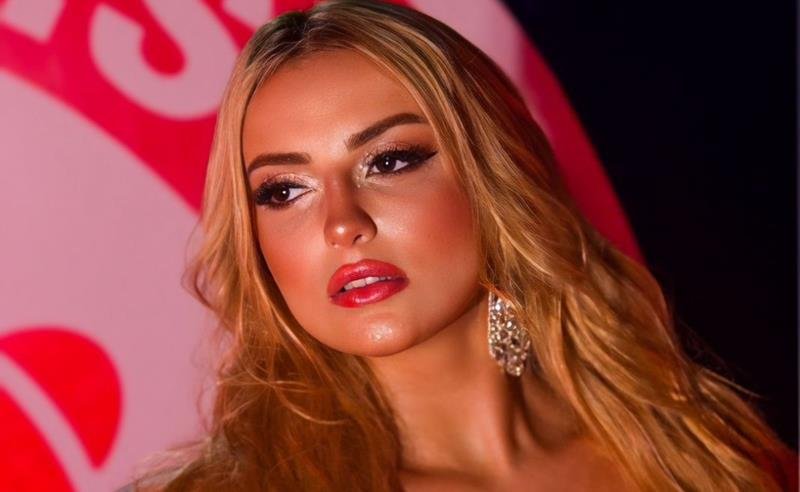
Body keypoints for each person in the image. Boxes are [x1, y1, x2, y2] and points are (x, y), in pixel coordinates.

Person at [131, 0, 796, 490]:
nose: (341, 223)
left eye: (389, 161)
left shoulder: (703, 452)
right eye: (283, 191)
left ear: (496, 178)